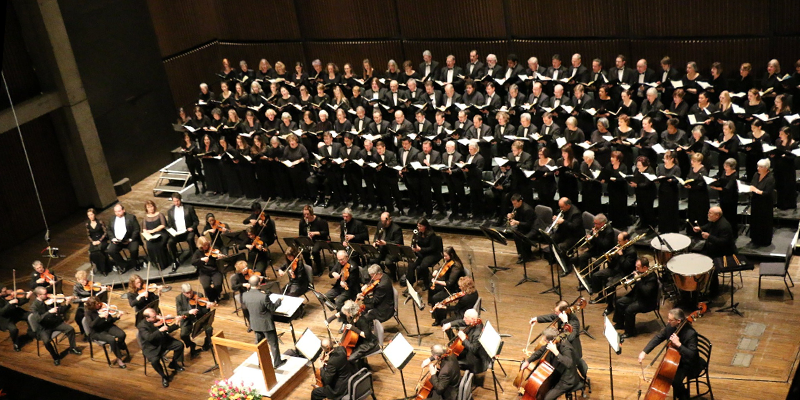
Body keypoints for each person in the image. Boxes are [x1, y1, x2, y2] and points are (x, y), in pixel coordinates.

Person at [638, 308, 703, 400]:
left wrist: (679, 345)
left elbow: (692, 354)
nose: (668, 322)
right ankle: (680, 393)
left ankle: (684, 395)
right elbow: (658, 337)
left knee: (674, 380)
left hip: (689, 363)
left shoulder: (690, 333)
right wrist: (644, 352)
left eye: (670, 320)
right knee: (668, 375)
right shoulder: (670, 327)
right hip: (676, 361)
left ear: (678, 321)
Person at [529, 300, 587, 379]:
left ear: (563, 312)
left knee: (553, 358)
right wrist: (537, 319)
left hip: (571, 350)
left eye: (557, 312)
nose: (555, 313)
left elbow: (569, 338)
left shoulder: (574, 322)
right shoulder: (561, 315)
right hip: (562, 344)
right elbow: (552, 317)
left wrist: (565, 322)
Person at [520, 327, 581, 400]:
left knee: (547, 398)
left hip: (566, 379)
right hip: (555, 373)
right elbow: (540, 351)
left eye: (545, 340)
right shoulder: (552, 343)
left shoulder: (566, 347)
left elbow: (569, 363)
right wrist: (528, 361)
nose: (544, 342)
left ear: (551, 340)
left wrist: (556, 352)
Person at [241, 276, 285, 368]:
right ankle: (277, 363)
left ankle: (261, 363)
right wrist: (279, 300)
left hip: (255, 323)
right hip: (266, 324)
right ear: (259, 284)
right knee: (273, 344)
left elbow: (248, 306)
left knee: (259, 345)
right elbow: (272, 308)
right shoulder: (263, 296)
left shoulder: (245, 295)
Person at [30, 287, 81, 365]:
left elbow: (60, 310)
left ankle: (72, 348)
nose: (47, 295)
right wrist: (49, 312)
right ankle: (55, 357)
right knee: (46, 341)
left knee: (70, 329)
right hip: (44, 327)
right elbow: (39, 319)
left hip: (54, 323)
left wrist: (67, 303)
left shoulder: (47, 302)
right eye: (45, 294)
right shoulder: (34, 306)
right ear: (38, 295)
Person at [137, 308, 185, 388]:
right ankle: (163, 376)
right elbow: (149, 338)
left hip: (163, 341)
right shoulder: (142, 326)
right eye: (153, 317)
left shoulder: (158, 321)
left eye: (156, 315)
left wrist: (177, 322)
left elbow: (167, 330)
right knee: (154, 361)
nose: (156, 317)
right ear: (147, 318)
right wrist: (159, 331)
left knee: (180, 345)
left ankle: (173, 364)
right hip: (151, 347)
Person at [614, 258, 659, 338]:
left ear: (645, 267)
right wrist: (631, 280)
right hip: (637, 296)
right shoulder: (641, 272)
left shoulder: (652, 278)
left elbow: (646, 292)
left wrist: (638, 280)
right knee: (619, 302)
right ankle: (620, 323)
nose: (636, 269)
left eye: (638, 267)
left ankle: (629, 332)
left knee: (629, 310)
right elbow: (638, 284)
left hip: (646, 302)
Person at [441, 309, 489, 385]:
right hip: (468, 350)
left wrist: (463, 339)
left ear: (472, 319)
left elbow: (474, 349)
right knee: (450, 355)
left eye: (466, 318)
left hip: (475, 361)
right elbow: (463, 322)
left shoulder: (477, 333)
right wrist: (450, 324)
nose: (464, 319)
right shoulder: (476, 321)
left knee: (449, 363)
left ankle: (453, 383)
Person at [590, 232, 637, 307]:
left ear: (626, 241)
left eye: (619, 241)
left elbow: (626, 266)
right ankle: (601, 296)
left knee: (609, 285)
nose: (617, 243)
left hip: (624, 273)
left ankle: (610, 306)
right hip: (615, 269)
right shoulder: (620, 247)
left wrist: (621, 255)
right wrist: (610, 260)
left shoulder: (632, 252)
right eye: (617, 240)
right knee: (596, 275)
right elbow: (614, 263)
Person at [327, 300, 378, 364]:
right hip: (358, 339)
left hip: (367, 343)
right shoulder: (350, 315)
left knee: (350, 358)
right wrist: (328, 320)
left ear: (350, 312)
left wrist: (353, 328)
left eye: (346, 313)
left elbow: (366, 335)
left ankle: (358, 369)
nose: (345, 314)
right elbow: (340, 313)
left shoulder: (362, 320)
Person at [84, 296, 128, 368]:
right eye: (97, 304)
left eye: (99, 303)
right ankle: (119, 358)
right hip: (97, 332)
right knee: (111, 339)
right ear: (92, 306)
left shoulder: (102, 308)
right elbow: (91, 325)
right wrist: (99, 317)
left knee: (122, 334)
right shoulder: (88, 312)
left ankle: (119, 347)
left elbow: (110, 320)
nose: (99, 305)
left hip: (107, 326)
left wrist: (118, 316)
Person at [571, 214, 615, 280]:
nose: (594, 225)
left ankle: (593, 281)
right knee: (583, 257)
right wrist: (590, 239)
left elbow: (605, 245)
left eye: (596, 224)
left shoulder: (609, 231)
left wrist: (596, 236)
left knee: (595, 264)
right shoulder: (597, 228)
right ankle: (585, 279)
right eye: (594, 223)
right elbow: (593, 243)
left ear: (602, 223)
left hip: (604, 252)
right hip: (596, 249)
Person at [175, 283, 214, 358]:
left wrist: (208, 307)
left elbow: (205, 312)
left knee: (209, 329)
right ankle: (191, 344)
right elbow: (179, 312)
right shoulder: (179, 298)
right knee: (183, 335)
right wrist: (188, 312)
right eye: (187, 293)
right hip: (187, 319)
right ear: (183, 293)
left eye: (191, 292)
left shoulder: (198, 294)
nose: (190, 294)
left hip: (199, 317)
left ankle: (207, 344)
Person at [165, 193, 199, 272]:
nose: (176, 203)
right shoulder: (170, 211)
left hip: (187, 231)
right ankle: (174, 261)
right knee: (170, 242)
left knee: (190, 239)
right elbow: (169, 224)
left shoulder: (189, 208)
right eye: (174, 201)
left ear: (180, 200)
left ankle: (194, 259)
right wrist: (171, 231)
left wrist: (192, 227)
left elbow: (196, 221)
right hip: (177, 233)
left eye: (177, 201)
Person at [407, 218, 443, 290]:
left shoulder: (431, 235)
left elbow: (433, 248)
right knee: (411, 264)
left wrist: (420, 249)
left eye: (420, 226)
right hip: (421, 253)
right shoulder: (418, 233)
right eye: (418, 226)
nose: (418, 228)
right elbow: (414, 242)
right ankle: (409, 286)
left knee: (423, 265)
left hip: (432, 254)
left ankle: (426, 283)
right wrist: (413, 247)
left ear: (425, 226)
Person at [72, 270, 108, 338]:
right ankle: (85, 332)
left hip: (93, 305)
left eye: (85, 279)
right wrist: (83, 299)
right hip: (83, 305)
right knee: (78, 318)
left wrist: (102, 289)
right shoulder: (76, 287)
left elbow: (98, 293)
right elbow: (74, 300)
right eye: (82, 281)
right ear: (78, 280)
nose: (85, 282)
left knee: (91, 317)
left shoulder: (91, 284)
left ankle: (95, 330)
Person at [106, 204, 141, 273]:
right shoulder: (112, 219)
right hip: (118, 241)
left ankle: (135, 264)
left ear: (123, 210)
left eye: (119, 211)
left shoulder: (131, 217)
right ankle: (124, 265)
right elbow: (109, 230)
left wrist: (131, 239)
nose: (117, 213)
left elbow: (136, 229)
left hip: (130, 239)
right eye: (115, 212)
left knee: (134, 249)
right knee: (110, 250)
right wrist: (113, 239)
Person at [326, 251, 361, 320]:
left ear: (347, 257)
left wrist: (344, 284)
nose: (340, 261)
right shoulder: (339, 263)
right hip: (339, 287)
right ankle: (341, 310)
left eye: (342, 259)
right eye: (339, 259)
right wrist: (333, 273)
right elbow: (330, 274)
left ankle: (344, 319)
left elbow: (352, 283)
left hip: (350, 289)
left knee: (338, 301)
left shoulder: (353, 267)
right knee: (326, 297)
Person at [749, 159, 776, 246]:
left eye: (760, 167)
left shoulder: (770, 178)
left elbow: (767, 193)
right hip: (756, 202)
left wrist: (756, 190)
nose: (758, 168)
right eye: (758, 166)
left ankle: (764, 241)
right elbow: (752, 184)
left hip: (765, 204)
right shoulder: (756, 175)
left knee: (764, 221)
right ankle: (755, 239)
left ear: (766, 168)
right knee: (755, 220)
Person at [601, 151, 630, 228]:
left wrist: (616, 179)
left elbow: (624, 178)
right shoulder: (609, 165)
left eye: (613, 157)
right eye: (611, 157)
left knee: (620, 207)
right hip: (612, 189)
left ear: (618, 159)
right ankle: (613, 222)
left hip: (621, 190)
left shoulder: (623, 166)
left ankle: (621, 224)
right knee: (612, 206)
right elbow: (606, 175)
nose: (611, 159)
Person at [191, 236, 224, 303]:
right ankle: (212, 298)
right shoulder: (198, 252)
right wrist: (201, 259)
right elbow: (193, 262)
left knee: (218, 285)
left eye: (207, 244)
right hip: (204, 272)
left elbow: (221, 261)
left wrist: (220, 258)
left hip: (215, 271)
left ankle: (216, 296)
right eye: (204, 245)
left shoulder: (214, 249)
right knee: (206, 286)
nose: (206, 246)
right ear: (200, 246)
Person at [0, 286, 33, 352]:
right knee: (13, 329)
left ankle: (30, 333)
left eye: (6, 290)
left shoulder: (8, 296)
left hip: (15, 313)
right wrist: (9, 303)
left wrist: (27, 297)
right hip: (6, 318)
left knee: (30, 316)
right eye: (4, 291)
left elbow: (18, 302)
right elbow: (1, 312)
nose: (7, 292)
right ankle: (15, 342)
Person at [300, 205, 330, 276]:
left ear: (311, 214)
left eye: (307, 214)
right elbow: (301, 234)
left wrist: (315, 233)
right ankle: (309, 268)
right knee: (304, 251)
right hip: (308, 240)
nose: (306, 216)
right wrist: (305, 238)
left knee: (315, 251)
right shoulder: (302, 222)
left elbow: (326, 233)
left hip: (319, 239)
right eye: (304, 214)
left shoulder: (320, 221)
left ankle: (319, 269)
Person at [656, 150, 682, 233]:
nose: (664, 161)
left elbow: (677, 180)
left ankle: (672, 229)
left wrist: (671, 180)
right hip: (662, 190)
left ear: (672, 159)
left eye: (666, 159)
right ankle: (663, 229)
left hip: (672, 192)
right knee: (662, 210)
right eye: (664, 159)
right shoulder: (660, 166)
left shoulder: (676, 168)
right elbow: (658, 176)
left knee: (671, 210)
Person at [141, 200, 171, 271]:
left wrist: (153, 230)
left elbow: (163, 225)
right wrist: (147, 233)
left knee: (159, 244)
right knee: (150, 245)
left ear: (154, 206)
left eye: (151, 206)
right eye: (148, 207)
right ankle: (156, 263)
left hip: (161, 233)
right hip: (151, 235)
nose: (151, 208)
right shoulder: (145, 218)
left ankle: (164, 263)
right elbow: (144, 229)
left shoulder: (160, 214)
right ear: (146, 209)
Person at [506, 193, 536, 263]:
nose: (514, 206)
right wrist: (512, 216)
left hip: (531, 228)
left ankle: (527, 256)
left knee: (520, 236)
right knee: (515, 234)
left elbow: (529, 224)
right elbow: (519, 218)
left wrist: (517, 222)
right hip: (523, 226)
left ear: (520, 201)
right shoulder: (518, 207)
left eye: (515, 203)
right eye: (513, 204)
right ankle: (522, 253)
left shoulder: (527, 210)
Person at [685, 153, 710, 232]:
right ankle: (691, 230)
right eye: (692, 160)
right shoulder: (691, 168)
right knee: (692, 212)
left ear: (699, 162)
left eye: (694, 161)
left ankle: (700, 231)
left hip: (701, 196)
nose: (692, 162)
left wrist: (692, 187)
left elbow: (701, 184)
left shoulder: (703, 170)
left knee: (700, 213)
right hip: (692, 195)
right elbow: (688, 177)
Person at [630, 156, 657, 228]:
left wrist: (637, 185)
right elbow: (635, 177)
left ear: (644, 165)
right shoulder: (637, 169)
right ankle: (643, 224)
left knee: (648, 210)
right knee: (640, 209)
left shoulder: (650, 170)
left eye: (639, 165)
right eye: (637, 165)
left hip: (648, 193)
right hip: (639, 193)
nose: (638, 167)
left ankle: (651, 226)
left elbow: (648, 183)